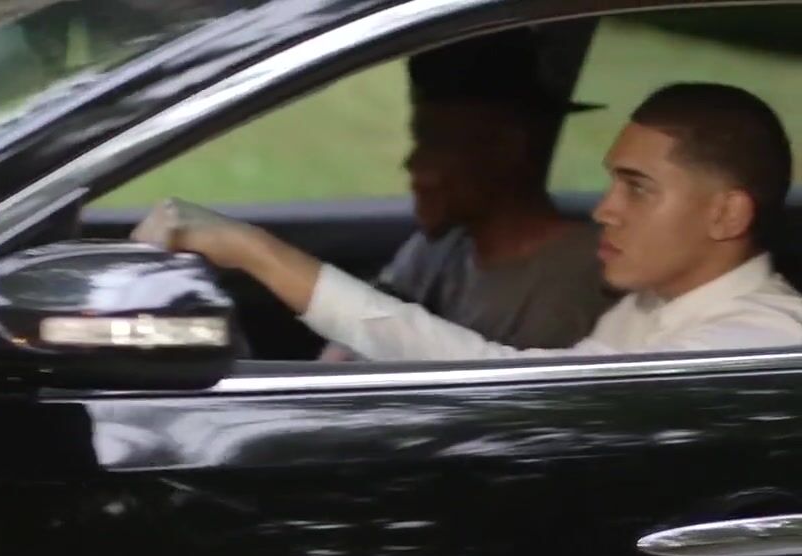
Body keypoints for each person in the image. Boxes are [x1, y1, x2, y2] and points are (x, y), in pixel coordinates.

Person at [131, 83, 802, 360]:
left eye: (638, 188)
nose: (604, 209)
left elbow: (524, 396)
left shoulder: (751, 343)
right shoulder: (651, 311)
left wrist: (258, 252)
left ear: (726, 213)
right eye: (611, 182)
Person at [320, 31, 616, 360]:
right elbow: (358, 328)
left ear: (506, 149)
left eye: (433, 142)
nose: (412, 163)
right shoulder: (440, 248)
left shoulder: (571, 281)